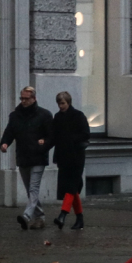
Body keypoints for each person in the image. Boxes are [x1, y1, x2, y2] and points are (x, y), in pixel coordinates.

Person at [0, 86, 53, 230]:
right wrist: (4, 143)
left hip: (38, 157)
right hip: (23, 156)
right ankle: (40, 217)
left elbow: (51, 137)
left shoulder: (44, 115)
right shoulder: (15, 115)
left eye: (26, 98)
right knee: (30, 189)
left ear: (34, 99)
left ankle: (27, 216)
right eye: (21, 98)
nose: (23, 101)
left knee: (33, 188)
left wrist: (42, 146)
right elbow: (9, 132)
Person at [51, 91, 90, 230]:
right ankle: (80, 219)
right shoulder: (57, 117)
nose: (61, 106)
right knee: (72, 189)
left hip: (76, 157)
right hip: (63, 157)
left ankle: (62, 215)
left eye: (63, 103)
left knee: (71, 187)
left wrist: (70, 140)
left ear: (68, 102)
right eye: (59, 103)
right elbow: (54, 136)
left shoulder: (78, 116)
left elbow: (86, 134)